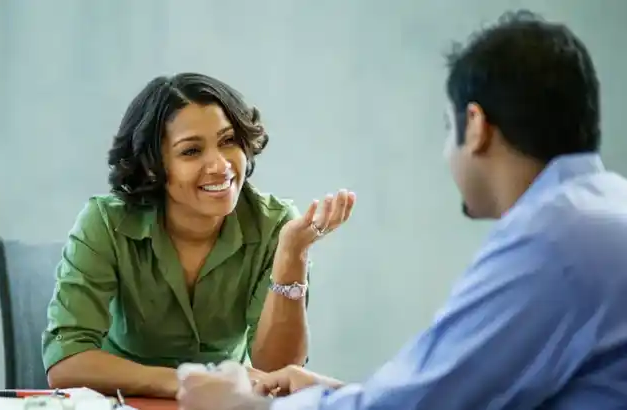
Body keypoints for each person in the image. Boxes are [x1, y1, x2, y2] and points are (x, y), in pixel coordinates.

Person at [177, 10, 627, 410]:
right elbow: (449, 389)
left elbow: (428, 401)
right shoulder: (599, 211)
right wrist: (326, 394)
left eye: (445, 126)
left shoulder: (551, 240)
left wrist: (246, 407)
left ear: (475, 127)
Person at [41, 73, 356, 398]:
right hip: (129, 403)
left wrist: (292, 254)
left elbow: (276, 373)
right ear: (152, 167)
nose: (220, 165)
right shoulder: (105, 222)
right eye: (191, 151)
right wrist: (187, 383)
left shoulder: (275, 226)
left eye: (228, 141)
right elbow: (66, 362)